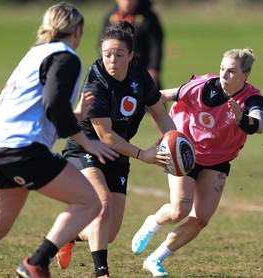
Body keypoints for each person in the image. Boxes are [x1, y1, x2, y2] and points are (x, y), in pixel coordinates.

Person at [0, 2, 118, 278]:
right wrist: (86, 141)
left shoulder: (35, 53)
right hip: (23, 148)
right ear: (77, 32)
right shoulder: (66, 56)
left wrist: (74, 114)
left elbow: (39, 106)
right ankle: (37, 262)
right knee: (90, 202)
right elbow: (53, 104)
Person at [55, 21, 176, 278]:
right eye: (107, 54)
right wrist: (144, 154)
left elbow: (160, 113)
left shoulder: (140, 75)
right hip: (88, 147)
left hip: (118, 154)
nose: (112, 60)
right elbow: (106, 135)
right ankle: (102, 273)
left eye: (119, 55)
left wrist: (175, 139)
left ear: (131, 55)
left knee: (108, 233)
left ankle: (69, 235)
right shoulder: (96, 81)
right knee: (103, 205)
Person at [131, 48, 263, 277]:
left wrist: (242, 118)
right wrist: (134, 101)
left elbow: (259, 125)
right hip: (185, 152)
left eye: (232, 72)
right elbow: (164, 95)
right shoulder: (203, 86)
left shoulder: (251, 97)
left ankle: (155, 258)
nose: (224, 75)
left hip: (219, 160)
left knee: (201, 219)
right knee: (178, 211)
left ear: (246, 75)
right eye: (222, 69)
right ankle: (152, 222)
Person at [101, 0, 164, 89]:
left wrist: (153, 68)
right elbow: (101, 43)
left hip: (142, 69)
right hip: (116, 71)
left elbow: (155, 45)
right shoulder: (110, 17)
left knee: (150, 98)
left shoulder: (148, 17)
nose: (128, 2)